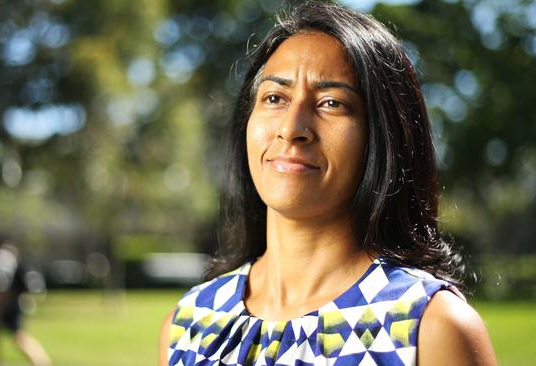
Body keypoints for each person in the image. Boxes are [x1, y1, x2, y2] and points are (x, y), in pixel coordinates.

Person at [160, 1, 497, 365]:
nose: (291, 129)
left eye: (331, 103)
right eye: (275, 98)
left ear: (382, 135)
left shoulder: (432, 328)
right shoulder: (190, 325)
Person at [0, 241, 52, 366]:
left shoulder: (3, 259)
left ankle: (42, 362)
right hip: (14, 303)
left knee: (19, 336)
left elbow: (1, 285)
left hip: (8, 304)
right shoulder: (13, 262)